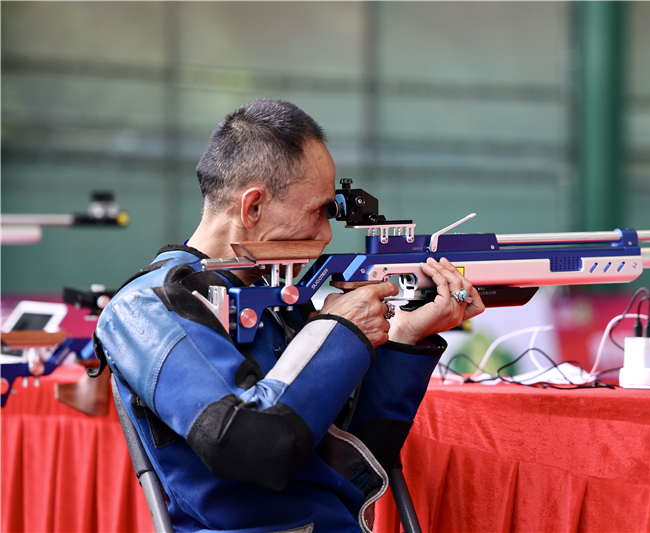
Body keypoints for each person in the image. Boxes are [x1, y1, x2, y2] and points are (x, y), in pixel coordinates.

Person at [95, 99, 484, 533]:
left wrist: (405, 338)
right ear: (253, 207)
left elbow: (347, 458)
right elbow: (249, 444)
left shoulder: (274, 295)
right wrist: (337, 331)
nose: (327, 233)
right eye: (317, 211)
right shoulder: (147, 307)